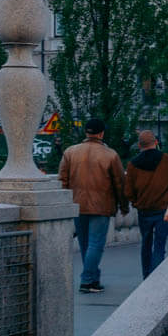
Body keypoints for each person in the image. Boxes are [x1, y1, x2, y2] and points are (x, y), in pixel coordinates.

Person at [60, 119, 126, 294]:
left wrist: (66, 204)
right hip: (101, 206)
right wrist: (124, 205)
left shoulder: (70, 152)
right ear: (102, 133)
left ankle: (94, 279)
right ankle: (87, 280)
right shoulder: (110, 154)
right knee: (96, 244)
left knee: (85, 244)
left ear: (86, 132)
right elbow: (119, 183)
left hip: (77, 205)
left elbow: (63, 180)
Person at [123, 130, 168, 278]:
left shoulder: (133, 164)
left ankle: (146, 277)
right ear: (156, 142)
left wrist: (137, 203)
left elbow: (128, 191)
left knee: (146, 244)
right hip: (164, 209)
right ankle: (156, 279)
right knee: (159, 245)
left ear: (139, 146)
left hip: (144, 211)